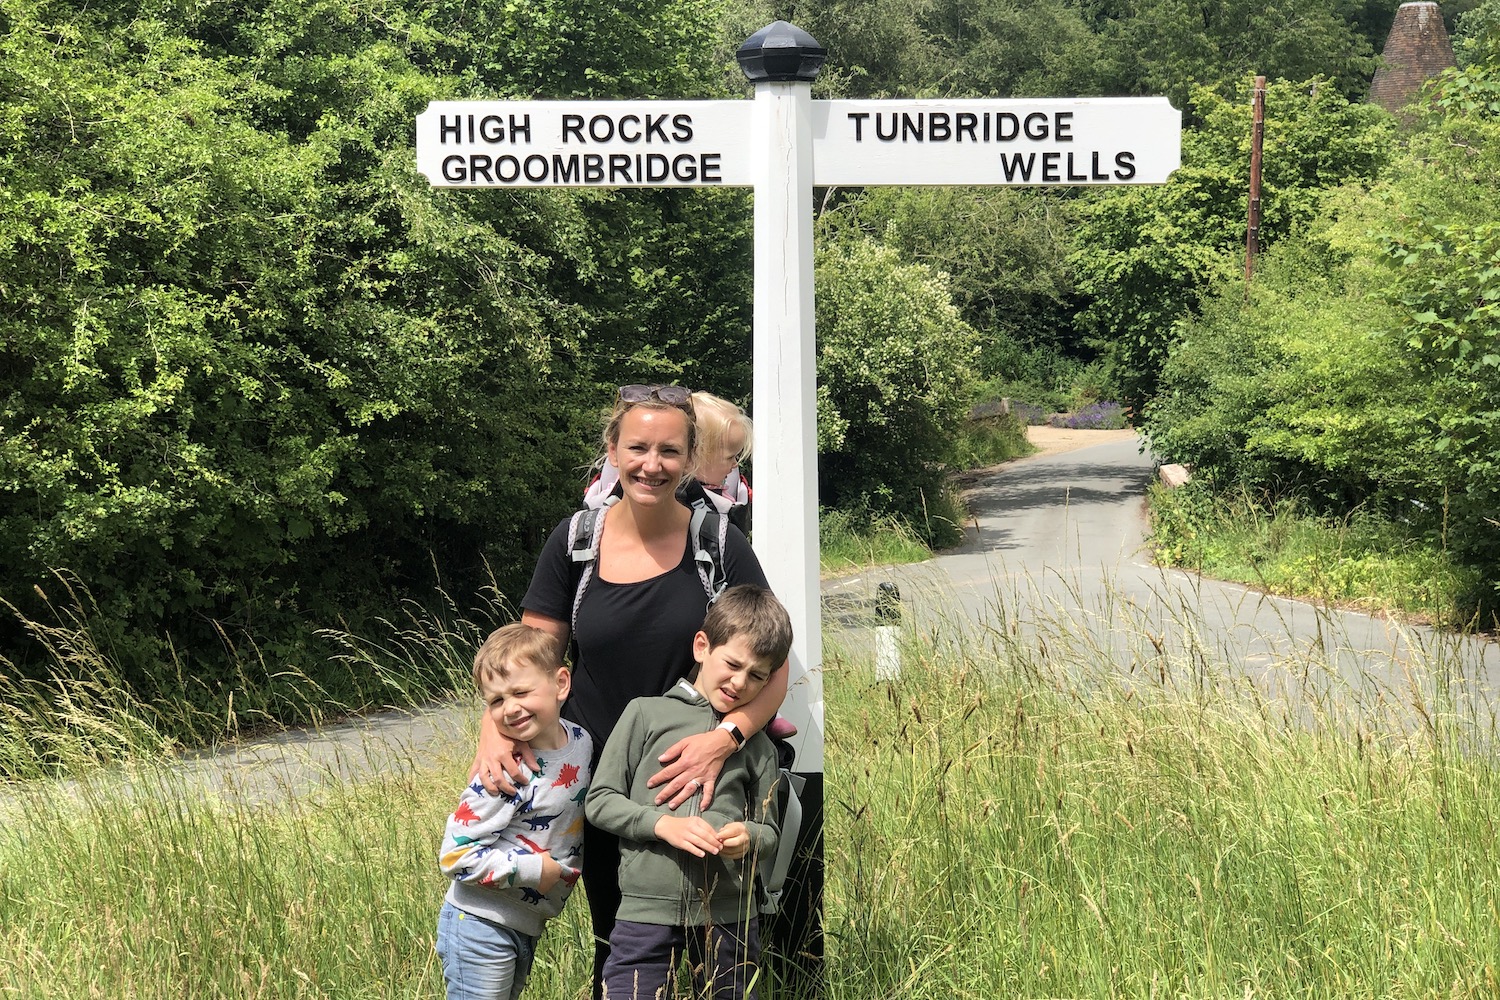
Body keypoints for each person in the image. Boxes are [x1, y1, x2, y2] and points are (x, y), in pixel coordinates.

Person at [475, 383, 785, 997]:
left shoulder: (718, 545)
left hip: (696, 777)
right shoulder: (576, 540)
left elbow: (772, 666)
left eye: (669, 451)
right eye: (637, 447)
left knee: (716, 956)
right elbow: (528, 659)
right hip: (602, 783)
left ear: (691, 458)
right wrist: (493, 731)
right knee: (619, 944)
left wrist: (724, 740)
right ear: (613, 451)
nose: (652, 464)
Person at [585, 584, 793, 1000]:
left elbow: (769, 831)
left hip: (730, 915)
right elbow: (600, 800)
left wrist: (748, 837)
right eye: (732, 664)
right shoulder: (645, 714)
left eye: (757, 676)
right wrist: (661, 824)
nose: (739, 682)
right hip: (644, 910)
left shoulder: (758, 745)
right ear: (702, 646)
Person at [436, 623, 593, 1000]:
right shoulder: (504, 771)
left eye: (521, 692)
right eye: (496, 701)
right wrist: (535, 870)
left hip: (525, 924)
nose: (510, 708)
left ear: (561, 683)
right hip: (479, 925)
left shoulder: (582, 742)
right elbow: (455, 856)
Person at [581, 390, 752, 536]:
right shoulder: (718, 509)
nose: (652, 467)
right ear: (695, 455)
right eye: (730, 457)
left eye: (669, 450)